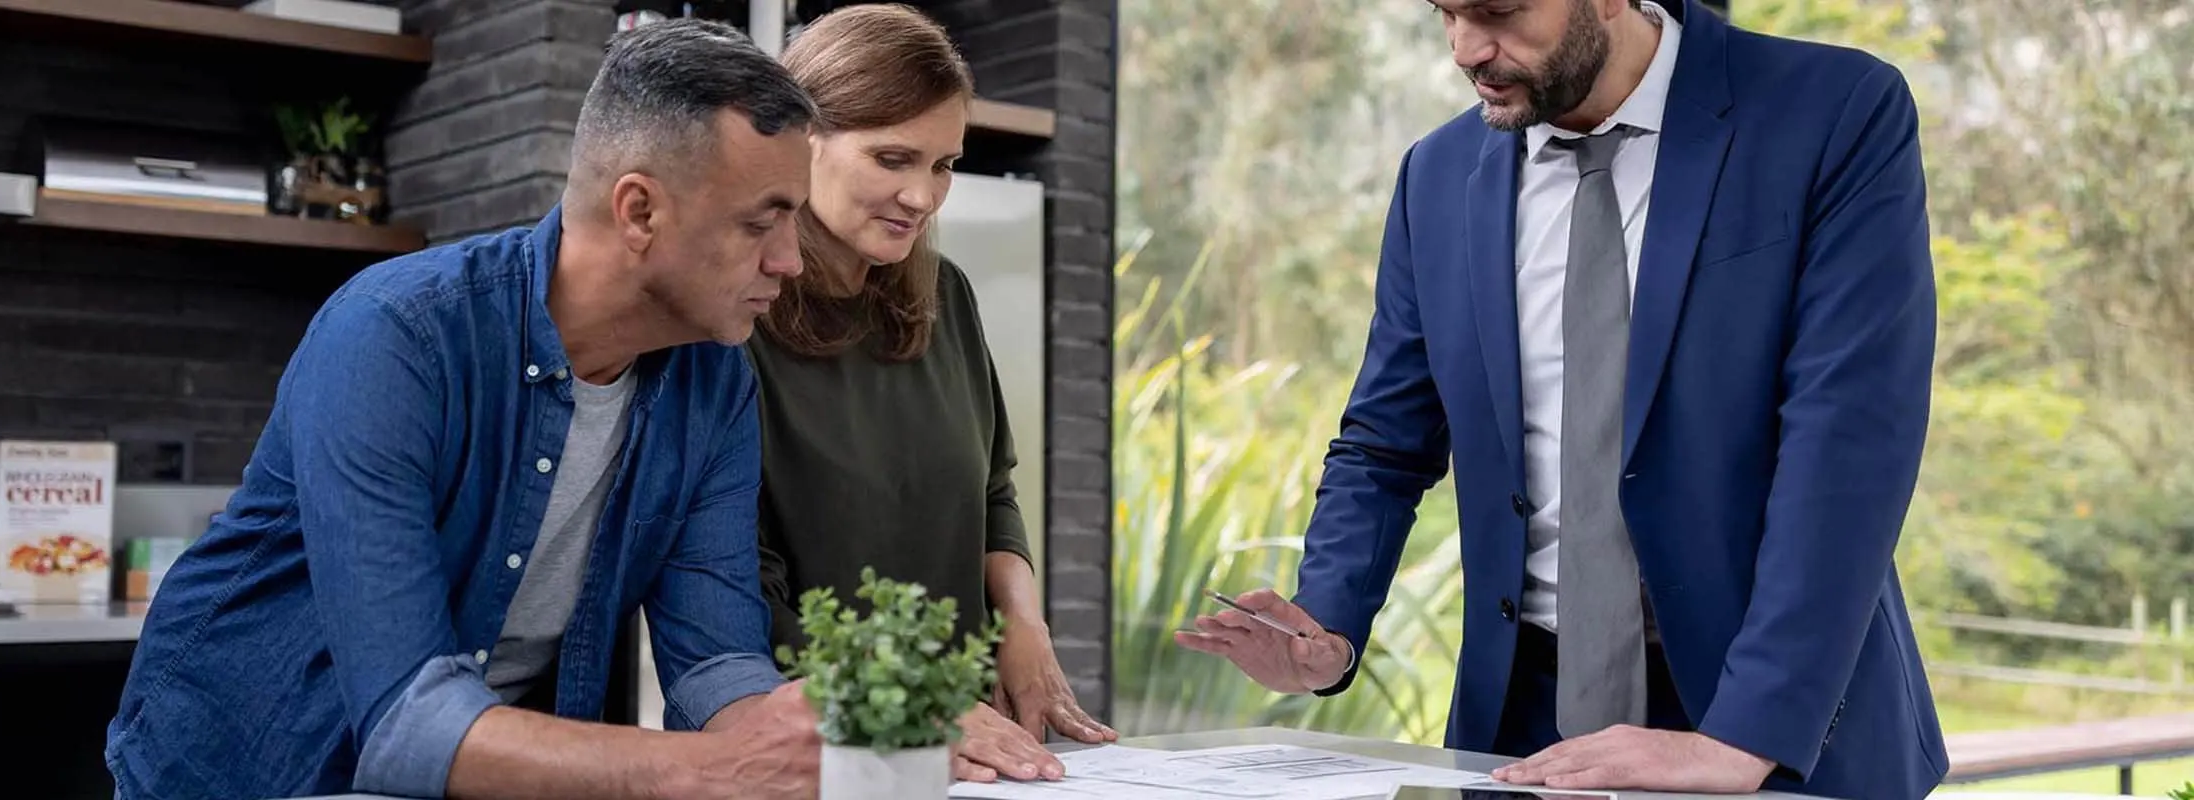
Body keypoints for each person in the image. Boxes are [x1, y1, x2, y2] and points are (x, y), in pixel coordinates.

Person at [1178, 1, 1946, 798]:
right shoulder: (1436, 177)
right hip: (1523, 735)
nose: (1466, 49)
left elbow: (1848, 440)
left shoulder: (1832, 110)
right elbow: (1384, 442)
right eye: (1445, 13)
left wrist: (1742, 736)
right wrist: (1326, 624)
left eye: (1498, 11)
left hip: (1775, 731)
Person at [104, 20, 827, 800]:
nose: (788, 259)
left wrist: (820, 744)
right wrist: (711, 771)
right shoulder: (396, 332)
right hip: (245, 771)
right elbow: (409, 722)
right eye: (762, 221)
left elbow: (716, 659)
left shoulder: (716, 383)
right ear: (640, 212)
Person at [746, 2, 1118, 785]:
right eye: (893, 159)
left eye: (943, 164)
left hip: (961, 748)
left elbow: (992, 490)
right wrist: (903, 706)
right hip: (817, 753)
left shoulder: (946, 295)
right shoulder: (736, 319)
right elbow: (741, 585)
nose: (922, 195)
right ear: (801, 140)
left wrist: (1023, 622)